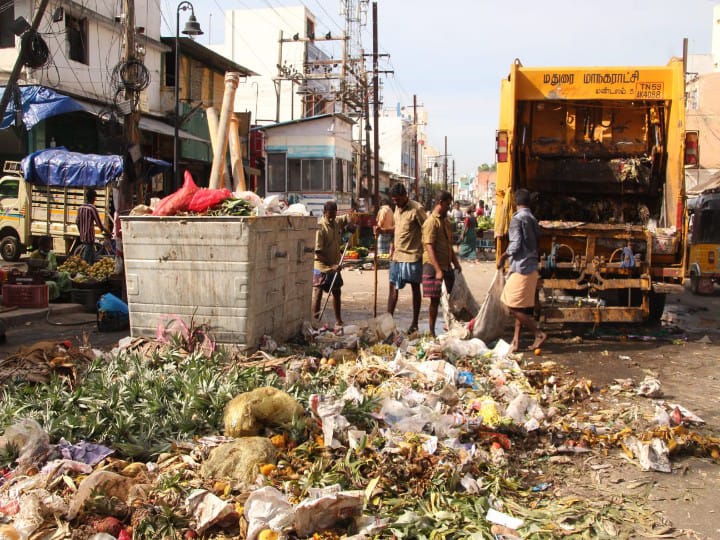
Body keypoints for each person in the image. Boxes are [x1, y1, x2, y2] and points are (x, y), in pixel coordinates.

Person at [496, 188, 546, 353]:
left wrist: (503, 256)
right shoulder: (532, 218)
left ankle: (538, 333)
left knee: (512, 306)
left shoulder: (517, 219)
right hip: (532, 266)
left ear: (515, 203)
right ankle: (516, 342)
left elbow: (516, 244)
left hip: (521, 268)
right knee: (521, 306)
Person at [387, 183, 426, 333]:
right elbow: (397, 229)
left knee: (415, 288)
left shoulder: (417, 209)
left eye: (398, 200)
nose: (396, 203)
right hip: (397, 255)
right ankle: (388, 321)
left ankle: (415, 323)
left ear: (405, 196)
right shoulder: (397, 208)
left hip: (412, 255)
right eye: (394, 200)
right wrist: (384, 231)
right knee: (393, 288)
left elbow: (427, 228)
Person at [422, 190, 461, 337]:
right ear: (440, 203)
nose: (449, 207)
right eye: (447, 204)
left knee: (451, 299)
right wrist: (438, 270)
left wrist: (456, 263)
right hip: (433, 266)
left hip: (446, 265)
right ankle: (431, 331)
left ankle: (450, 327)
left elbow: (448, 245)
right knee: (434, 299)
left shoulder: (445, 221)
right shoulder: (431, 222)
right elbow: (429, 246)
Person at [312, 200, 355, 329]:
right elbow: (317, 252)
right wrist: (331, 266)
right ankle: (314, 321)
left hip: (334, 265)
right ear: (325, 213)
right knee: (318, 293)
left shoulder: (336, 222)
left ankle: (338, 320)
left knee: (336, 292)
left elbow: (349, 217)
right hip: (321, 266)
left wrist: (351, 224)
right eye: (329, 215)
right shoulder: (320, 228)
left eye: (334, 214)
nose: (332, 217)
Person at [76, 189, 111, 265]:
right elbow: (99, 224)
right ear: (94, 198)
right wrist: (107, 232)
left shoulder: (80, 208)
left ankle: (88, 270)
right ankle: (83, 272)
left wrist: (81, 231)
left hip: (82, 236)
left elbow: (77, 222)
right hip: (90, 237)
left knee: (91, 258)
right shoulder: (92, 208)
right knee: (85, 260)